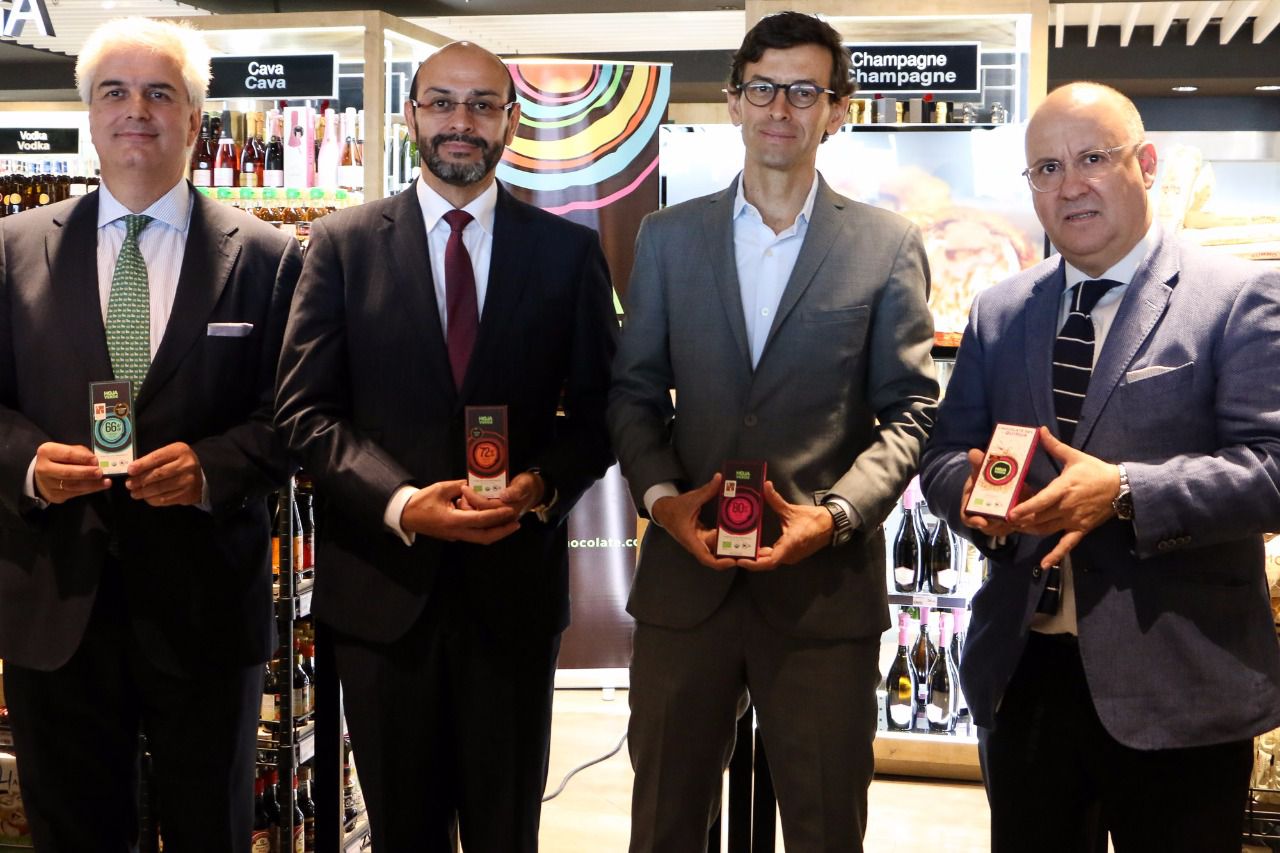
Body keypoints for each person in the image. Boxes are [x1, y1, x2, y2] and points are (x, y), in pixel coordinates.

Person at [919, 81, 1280, 852]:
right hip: (1025, 676)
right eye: (1046, 168)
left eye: (1092, 159)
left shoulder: (1238, 296)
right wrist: (974, 499)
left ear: (1145, 164)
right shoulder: (999, 310)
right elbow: (945, 452)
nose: (1069, 185)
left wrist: (1122, 490)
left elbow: (1271, 471)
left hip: (1180, 681)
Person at [274, 41, 616, 853]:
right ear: (411, 115)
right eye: (442, 102)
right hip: (384, 599)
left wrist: (541, 484)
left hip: (513, 598)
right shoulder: (342, 245)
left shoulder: (566, 253)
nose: (461, 121)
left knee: (507, 833)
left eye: (482, 104)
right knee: (403, 834)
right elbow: (304, 411)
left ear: (511, 120)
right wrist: (401, 502)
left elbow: (603, 412)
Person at [608, 12, 937, 851]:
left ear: (837, 110)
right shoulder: (667, 239)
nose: (780, 108)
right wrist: (664, 501)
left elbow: (911, 411)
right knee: (664, 825)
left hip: (822, 595)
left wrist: (835, 515)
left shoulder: (886, 245)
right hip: (686, 589)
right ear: (733, 102)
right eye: (762, 88)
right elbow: (634, 393)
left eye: (804, 91)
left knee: (826, 828)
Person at [0, 17, 301, 851]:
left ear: (195, 119)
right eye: (116, 92)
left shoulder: (269, 258)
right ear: (90, 115)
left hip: (205, 609)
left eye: (160, 93)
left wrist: (212, 467)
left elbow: (296, 417)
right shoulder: (12, 249)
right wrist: (27, 462)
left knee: (211, 831)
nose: (137, 110)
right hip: (56, 605)